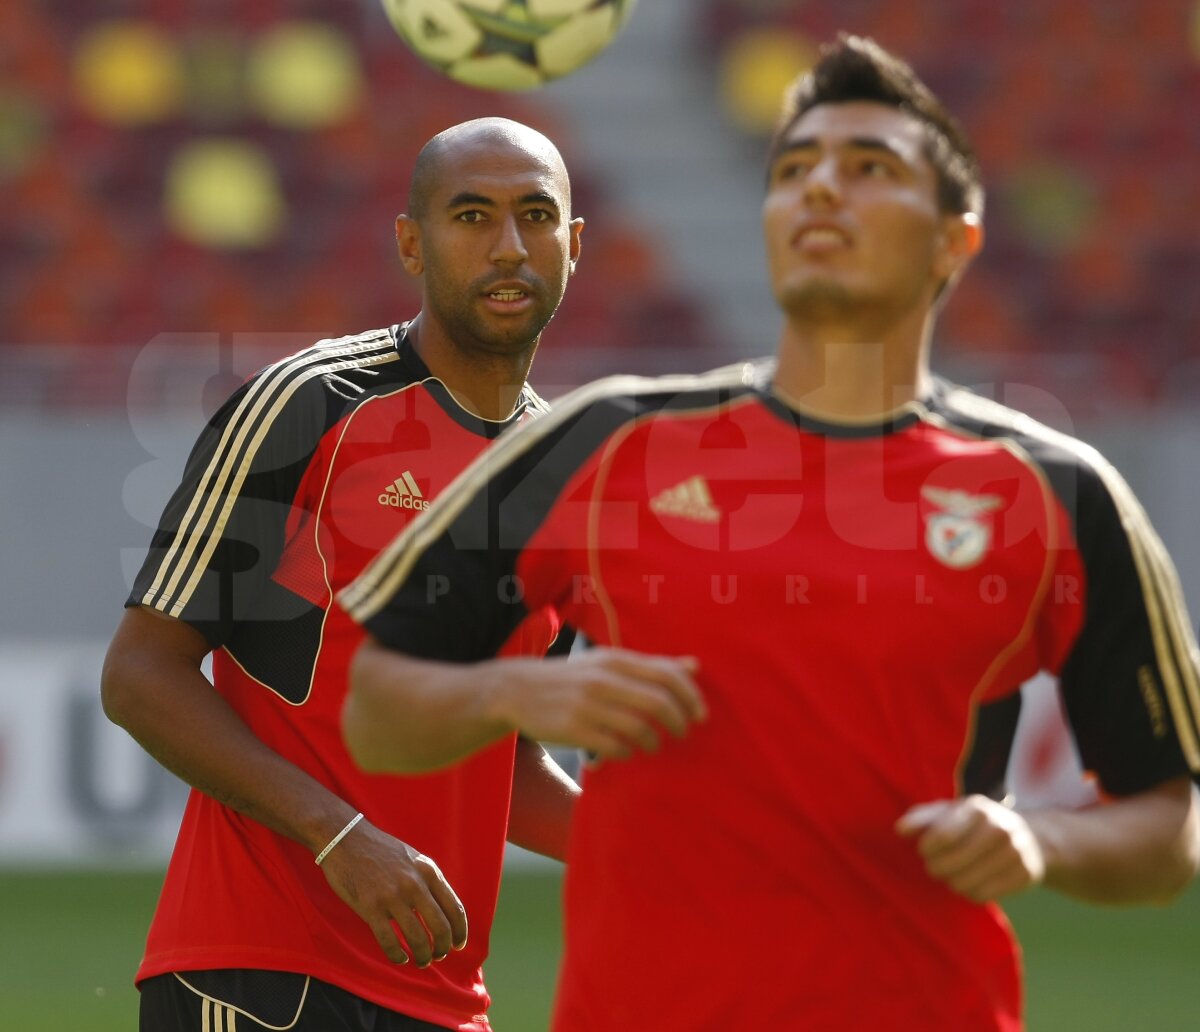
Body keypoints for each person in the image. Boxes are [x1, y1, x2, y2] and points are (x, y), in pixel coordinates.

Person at [336, 37, 1200, 1031]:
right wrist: (512, 688)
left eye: (869, 168)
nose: (822, 190)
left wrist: (1042, 841)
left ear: (954, 242)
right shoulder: (608, 439)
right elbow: (375, 709)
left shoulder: (1056, 493)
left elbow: (1167, 830)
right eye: (795, 171)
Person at [100, 116, 585, 1032]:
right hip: (260, 978)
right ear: (411, 241)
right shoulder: (312, 404)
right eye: (472, 216)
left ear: (574, 244)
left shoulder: (568, 472)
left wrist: (660, 850)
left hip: (441, 999)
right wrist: (341, 836)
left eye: (536, 215)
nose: (509, 246)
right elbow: (140, 674)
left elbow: (504, 763)